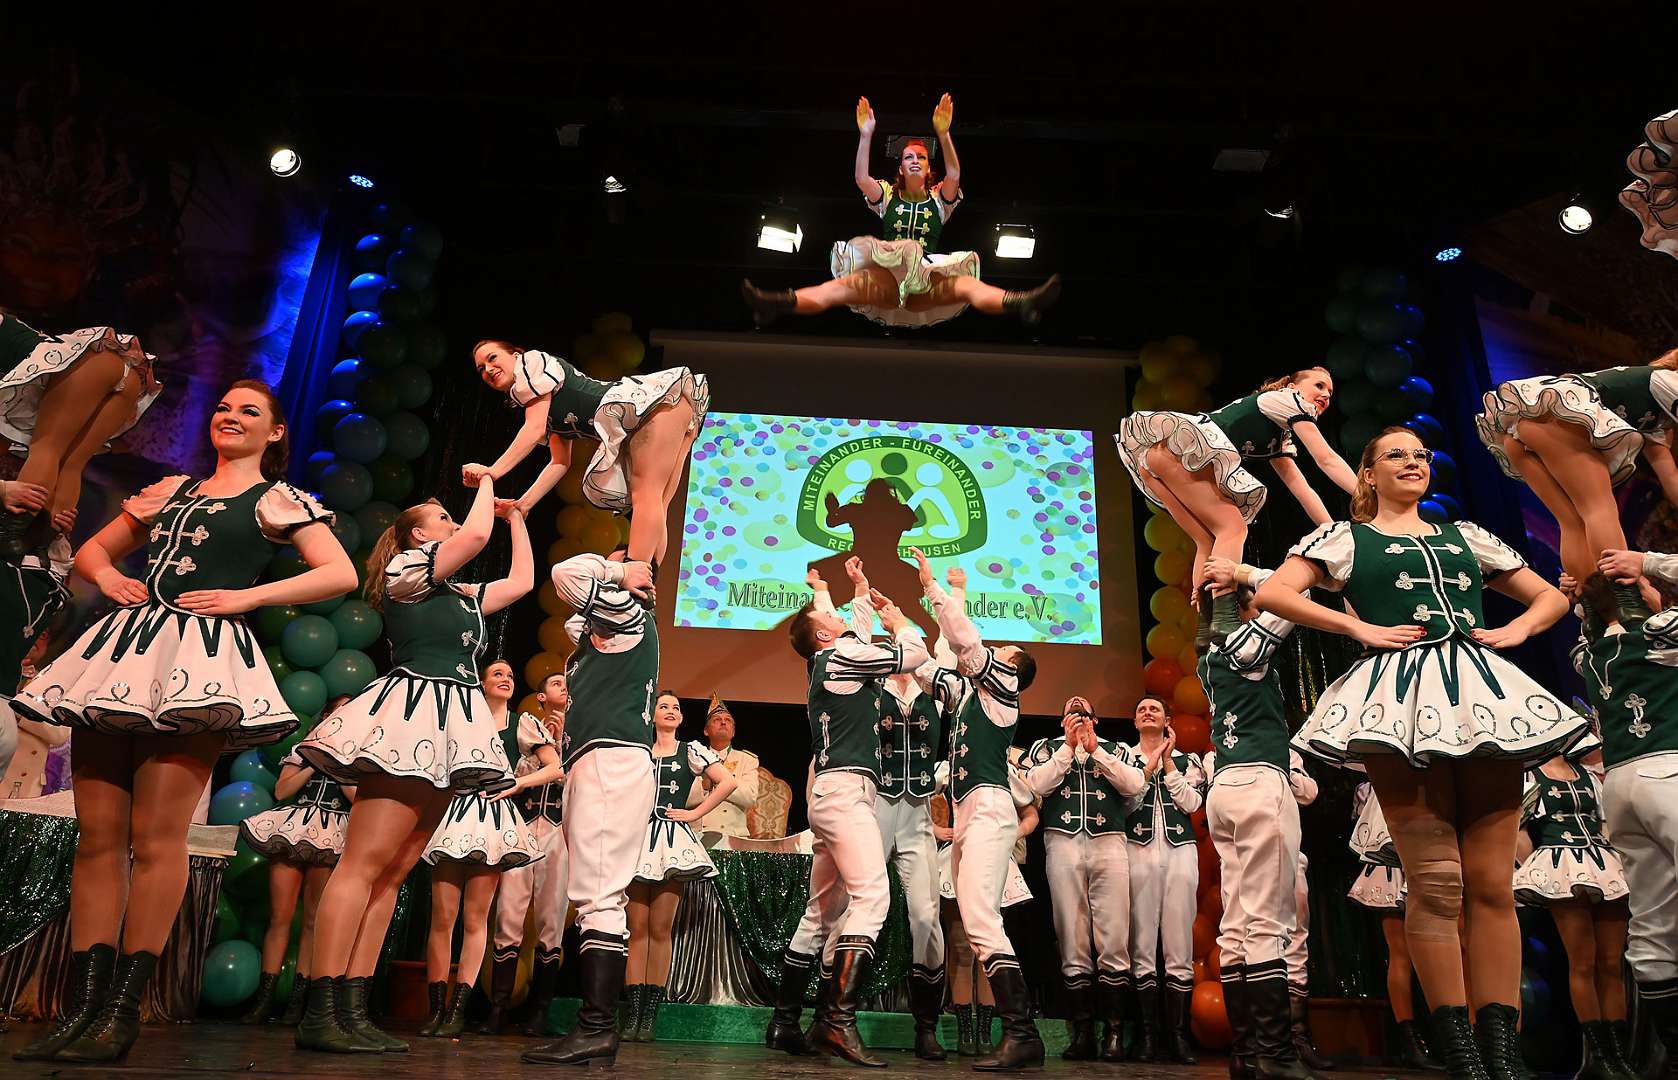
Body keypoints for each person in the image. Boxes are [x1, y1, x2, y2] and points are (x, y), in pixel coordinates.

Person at [10, 381, 355, 1064]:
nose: (230, 416)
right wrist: (110, 579)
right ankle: (83, 1008)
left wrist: (246, 597)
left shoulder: (277, 501)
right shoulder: (172, 490)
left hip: (197, 662)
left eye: (249, 411)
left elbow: (338, 572)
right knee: (97, 839)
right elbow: (92, 552)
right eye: (223, 408)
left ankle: (120, 1010)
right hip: (125, 655)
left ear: (276, 433)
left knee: (157, 839)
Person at [1257, 425, 1590, 1078]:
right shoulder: (1345, 539)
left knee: (1492, 883)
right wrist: (1358, 626)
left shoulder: (1465, 536)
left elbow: (1550, 595)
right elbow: (1274, 592)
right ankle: (1460, 1052)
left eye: (1420, 455)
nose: (1413, 462)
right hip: (1399, 702)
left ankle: (1502, 1052)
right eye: (1396, 455)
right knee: (1437, 882)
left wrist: (1517, 629)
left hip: (1483, 696)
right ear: (1368, 474)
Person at [298, 484, 533, 1054]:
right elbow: (475, 534)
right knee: (362, 864)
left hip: (452, 725)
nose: (454, 523)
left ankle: (353, 1006)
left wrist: (519, 518)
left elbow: (522, 582)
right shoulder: (407, 571)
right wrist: (488, 483)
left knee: (394, 873)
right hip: (411, 718)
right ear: (419, 534)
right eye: (443, 517)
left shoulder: (461, 593)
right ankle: (320, 1010)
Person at [764, 557, 928, 1066]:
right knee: (873, 896)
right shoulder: (840, 657)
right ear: (823, 637)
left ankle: (785, 1022)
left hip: (834, 793)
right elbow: (915, 653)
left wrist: (856, 588)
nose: (837, 615)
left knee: (820, 912)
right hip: (846, 793)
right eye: (829, 615)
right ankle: (837, 1020)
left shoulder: (828, 660)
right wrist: (898, 622)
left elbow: (848, 627)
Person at [740, 94, 1060, 329]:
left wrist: (944, 134)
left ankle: (1022, 303)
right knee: (836, 289)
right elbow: (861, 179)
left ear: (928, 167)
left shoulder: (939, 199)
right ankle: (775, 304)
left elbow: (955, 175)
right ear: (901, 168)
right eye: (908, 157)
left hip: (926, 281)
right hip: (887, 279)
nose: (915, 160)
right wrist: (866, 135)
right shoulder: (888, 195)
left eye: (921, 157)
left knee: (968, 286)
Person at [521, 549, 660, 1067]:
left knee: (599, 895)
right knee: (597, 895)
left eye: (613, 565)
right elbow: (576, 616)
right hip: (602, 762)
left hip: (610, 761)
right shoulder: (602, 635)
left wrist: (621, 571)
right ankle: (596, 1027)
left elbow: (565, 574)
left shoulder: (627, 617)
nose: (605, 568)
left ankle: (597, 1027)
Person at [909, 547, 1043, 1071]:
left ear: (1011, 667)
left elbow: (965, 641)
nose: (995, 649)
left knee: (982, 918)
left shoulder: (1003, 690)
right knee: (973, 915)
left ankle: (1022, 1032)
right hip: (969, 812)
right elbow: (931, 668)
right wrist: (900, 622)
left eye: (1004, 649)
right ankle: (1020, 1033)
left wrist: (933, 586)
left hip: (988, 809)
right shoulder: (970, 698)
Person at [1116, 367, 1358, 643]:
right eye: (1319, 386)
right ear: (1292, 387)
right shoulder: (1285, 400)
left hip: (1155, 460)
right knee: (1233, 529)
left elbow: (1301, 488)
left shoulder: (1279, 434)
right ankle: (1224, 616)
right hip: (1178, 450)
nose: (1326, 395)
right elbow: (1326, 458)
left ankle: (1206, 628)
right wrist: (1366, 495)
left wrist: (1331, 530)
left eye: (1330, 392)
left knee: (1206, 541)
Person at [1194, 555, 1319, 1080]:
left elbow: (1211, 628)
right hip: (1260, 783)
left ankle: (1246, 1053)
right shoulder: (1246, 648)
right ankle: (1274, 1053)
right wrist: (1244, 576)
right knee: (1269, 920)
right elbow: (1297, 594)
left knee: (1237, 923)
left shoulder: (1206, 661)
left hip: (1224, 789)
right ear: (1244, 611)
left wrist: (1217, 597)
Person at [465, 339, 709, 572]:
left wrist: (493, 471)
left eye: (492, 358)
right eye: (481, 369)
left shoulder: (531, 363)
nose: (488, 369)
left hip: (644, 406)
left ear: (515, 354)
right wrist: (523, 505)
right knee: (658, 502)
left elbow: (533, 429)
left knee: (646, 495)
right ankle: (646, 586)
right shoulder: (540, 400)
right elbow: (560, 462)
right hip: (663, 409)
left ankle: (637, 584)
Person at [1572, 553, 1678, 1078]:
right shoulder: (1663, 636)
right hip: (1669, 772)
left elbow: (1591, 620)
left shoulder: (1587, 655)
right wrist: (1647, 563)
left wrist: (1586, 596)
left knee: (1653, 923)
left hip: (1619, 786)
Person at [1474, 352, 1678, 621]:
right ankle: (1627, 602)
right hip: (1554, 416)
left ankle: (1595, 611)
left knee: (1572, 522)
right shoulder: (1669, 381)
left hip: (1522, 427)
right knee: (1598, 509)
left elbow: (1671, 479)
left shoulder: (1658, 415)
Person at [417, 658, 557, 1038]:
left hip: (492, 819)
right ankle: (435, 1008)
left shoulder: (521, 724)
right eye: (498, 674)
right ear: (481, 683)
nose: (506, 679)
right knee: (443, 918)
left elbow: (555, 767)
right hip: (454, 815)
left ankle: (457, 1011)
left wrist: (518, 784)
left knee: (476, 919)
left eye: (511, 675)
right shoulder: (461, 720)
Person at [1022, 696, 1146, 1062]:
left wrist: (1096, 751)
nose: (1077, 714)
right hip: (1062, 842)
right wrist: (1067, 748)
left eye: (1084, 713)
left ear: (1096, 720)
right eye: (1071, 713)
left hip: (1109, 842)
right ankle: (1082, 1031)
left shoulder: (1117, 749)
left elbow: (1134, 785)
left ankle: (1114, 1031)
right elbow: (1035, 785)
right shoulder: (1046, 748)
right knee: (1071, 935)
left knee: (1114, 934)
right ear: (1062, 722)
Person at [621, 691, 738, 1042]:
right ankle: (632, 1013)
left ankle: (649, 1016)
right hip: (637, 838)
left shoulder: (691, 750)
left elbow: (728, 782)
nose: (671, 711)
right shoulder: (637, 749)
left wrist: (693, 813)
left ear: (682, 718)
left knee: (660, 929)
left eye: (676, 708)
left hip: (671, 843)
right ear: (651, 714)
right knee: (636, 929)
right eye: (664, 706)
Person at [1512, 744, 1634, 1080]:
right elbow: (1519, 830)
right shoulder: (1529, 776)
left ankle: (1618, 1055)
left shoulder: (1588, 776)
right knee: (1583, 962)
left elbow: (1605, 822)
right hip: (1562, 865)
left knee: (1611, 964)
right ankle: (1599, 1055)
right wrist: (1537, 870)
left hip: (1602, 862)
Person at [0, 310, 162, 557]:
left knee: (47, 449)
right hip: (124, 372)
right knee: (71, 464)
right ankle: (43, 541)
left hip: (87, 365)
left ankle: (11, 536)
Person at [237, 694, 355, 1026]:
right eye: (338, 712)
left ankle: (297, 1004)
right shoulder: (303, 750)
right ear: (325, 716)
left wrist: (337, 763)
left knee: (314, 920)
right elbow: (281, 791)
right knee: (280, 917)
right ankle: (263, 1001)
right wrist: (315, 760)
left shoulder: (356, 757)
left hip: (330, 833)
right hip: (294, 829)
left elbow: (356, 798)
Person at [482, 672, 569, 1036]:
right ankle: (498, 1007)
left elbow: (573, 778)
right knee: (508, 914)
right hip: (520, 826)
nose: (564, 687)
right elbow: (512, 773)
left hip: (559, 831)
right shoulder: (527, 728)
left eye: (567, 684)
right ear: (541, 696)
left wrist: (562, 745)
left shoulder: (582, 733)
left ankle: (540, 1011)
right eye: (556, 683)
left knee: (552, 918)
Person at [1125, 694, 1206, 1064]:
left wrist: (1169, 762)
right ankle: (1146, 1036)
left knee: (1179, 944)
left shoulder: (1189, 761)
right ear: (1135, 721)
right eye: (1142, 709)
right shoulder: (1124, 759)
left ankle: (1177, 1036)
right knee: (1141, 942)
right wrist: (1147, 768)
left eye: (1154, 709)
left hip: (1179, 851)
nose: (1147, 712)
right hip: (1137, 849)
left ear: (1168, 720)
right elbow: (1124, 802)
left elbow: (1191, 803)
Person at [1348, 782, 1441, 1070]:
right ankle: (1411, 1040)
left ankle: (1452, 1034)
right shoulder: (1370, 786)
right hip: (1393, 859)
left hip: (1428, 853)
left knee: (1441, 950)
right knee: (1401, 953)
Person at [0, 533, 70, 790]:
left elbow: (59, 733)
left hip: (25, 787)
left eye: (43, 635)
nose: (35, 641)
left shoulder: (49, 681)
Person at [685, 693, 760, 839]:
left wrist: (719, 781)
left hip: (733, 837)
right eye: (717, 720)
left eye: (728, 720)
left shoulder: (747, 759)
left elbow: (749, 797)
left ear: (733, 732)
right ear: (706, 730)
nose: (723, 722)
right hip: (696, 836)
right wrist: (703, 786)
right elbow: (683, 799)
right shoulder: (693, 757)